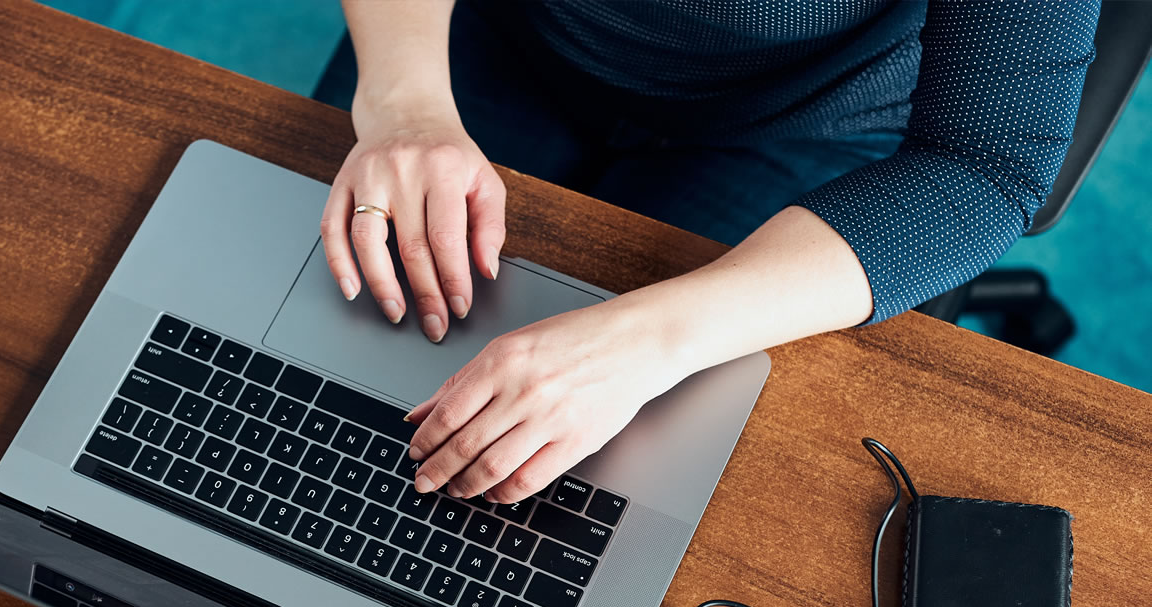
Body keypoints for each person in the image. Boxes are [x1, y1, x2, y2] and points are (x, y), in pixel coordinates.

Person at [313, 0, 1097, 503]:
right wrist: (405, 107)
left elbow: (983, 166)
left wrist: (643, 343)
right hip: (499, 38)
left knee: (593, 491)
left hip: (802, 117)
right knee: (322, 362)